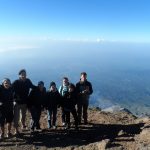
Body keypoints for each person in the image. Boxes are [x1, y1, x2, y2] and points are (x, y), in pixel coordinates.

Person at [12, 69, 35, 134]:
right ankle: (16, 130)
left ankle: (23, 124)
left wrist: (40, 88)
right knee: (16, 117)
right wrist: (13, 100)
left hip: (24, 102)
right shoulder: (16, 82)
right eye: (22, 74)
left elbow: (32, 86)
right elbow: (10, 90)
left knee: (24, 115)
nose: (23, 76)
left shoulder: (28, 81)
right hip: (17, 103)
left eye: (24, 74)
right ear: (19, 75)